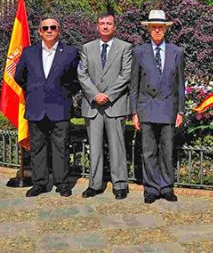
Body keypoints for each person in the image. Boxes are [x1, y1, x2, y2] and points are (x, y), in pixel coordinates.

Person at [14, 17, 80, 198]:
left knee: (61, 148)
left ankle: (62, 183)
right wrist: (35, 91)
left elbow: (76, 80)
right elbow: (19, 76)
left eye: (53, 27)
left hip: (60, 107)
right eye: (45, 28)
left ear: (59, 30)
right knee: (37, 148)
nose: (49, 30)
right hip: (36, 107)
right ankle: (39, 183)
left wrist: (63, 93)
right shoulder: (29, 52)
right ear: (39, 31)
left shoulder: (70, 52)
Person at [130, 10, 185, 204]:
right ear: (148, 30)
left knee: (167, 150)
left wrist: (180, 111)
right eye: (153, 27)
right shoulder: (139, 52)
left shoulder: (176, 52)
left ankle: (166, 187)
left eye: (160, 27)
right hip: (146, 109)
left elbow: (180, 83)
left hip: (168, 108)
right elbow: (134, 84)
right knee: (148, 151)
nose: (157, 30)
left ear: (165, 29)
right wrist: (134, 112)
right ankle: (151, 188)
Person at [78, 13, 133, 200]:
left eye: (109, 23)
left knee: (117, 147)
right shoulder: (87, 48)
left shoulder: (125, 48)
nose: (105, 26)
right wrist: (95, 95)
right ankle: (95, 184)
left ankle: (120, 185)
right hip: (93, 106)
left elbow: (126, 75)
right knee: (94, 147)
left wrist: (108, 95)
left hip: (115, 104)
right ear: (96, 26)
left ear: (115, 26)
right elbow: (82, 75)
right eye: (102, 23)